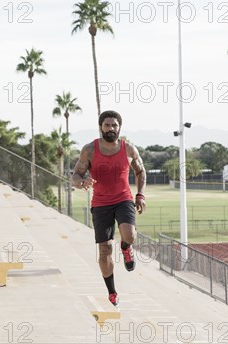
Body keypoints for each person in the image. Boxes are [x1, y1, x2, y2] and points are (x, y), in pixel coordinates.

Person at [72, 110, 146, 307]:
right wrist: (83, 182)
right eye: (107, 125)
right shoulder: (90, 150)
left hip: (123, 199)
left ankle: (126, 247)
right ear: (100, 127)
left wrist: (140, 194)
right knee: (104, 252)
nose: (111, 128)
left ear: (119, 127)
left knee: (129, 235)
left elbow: (141, 171)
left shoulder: (129, 149)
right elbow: (75, 176)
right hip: (101, 204)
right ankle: (112, 292)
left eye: (114, 125)